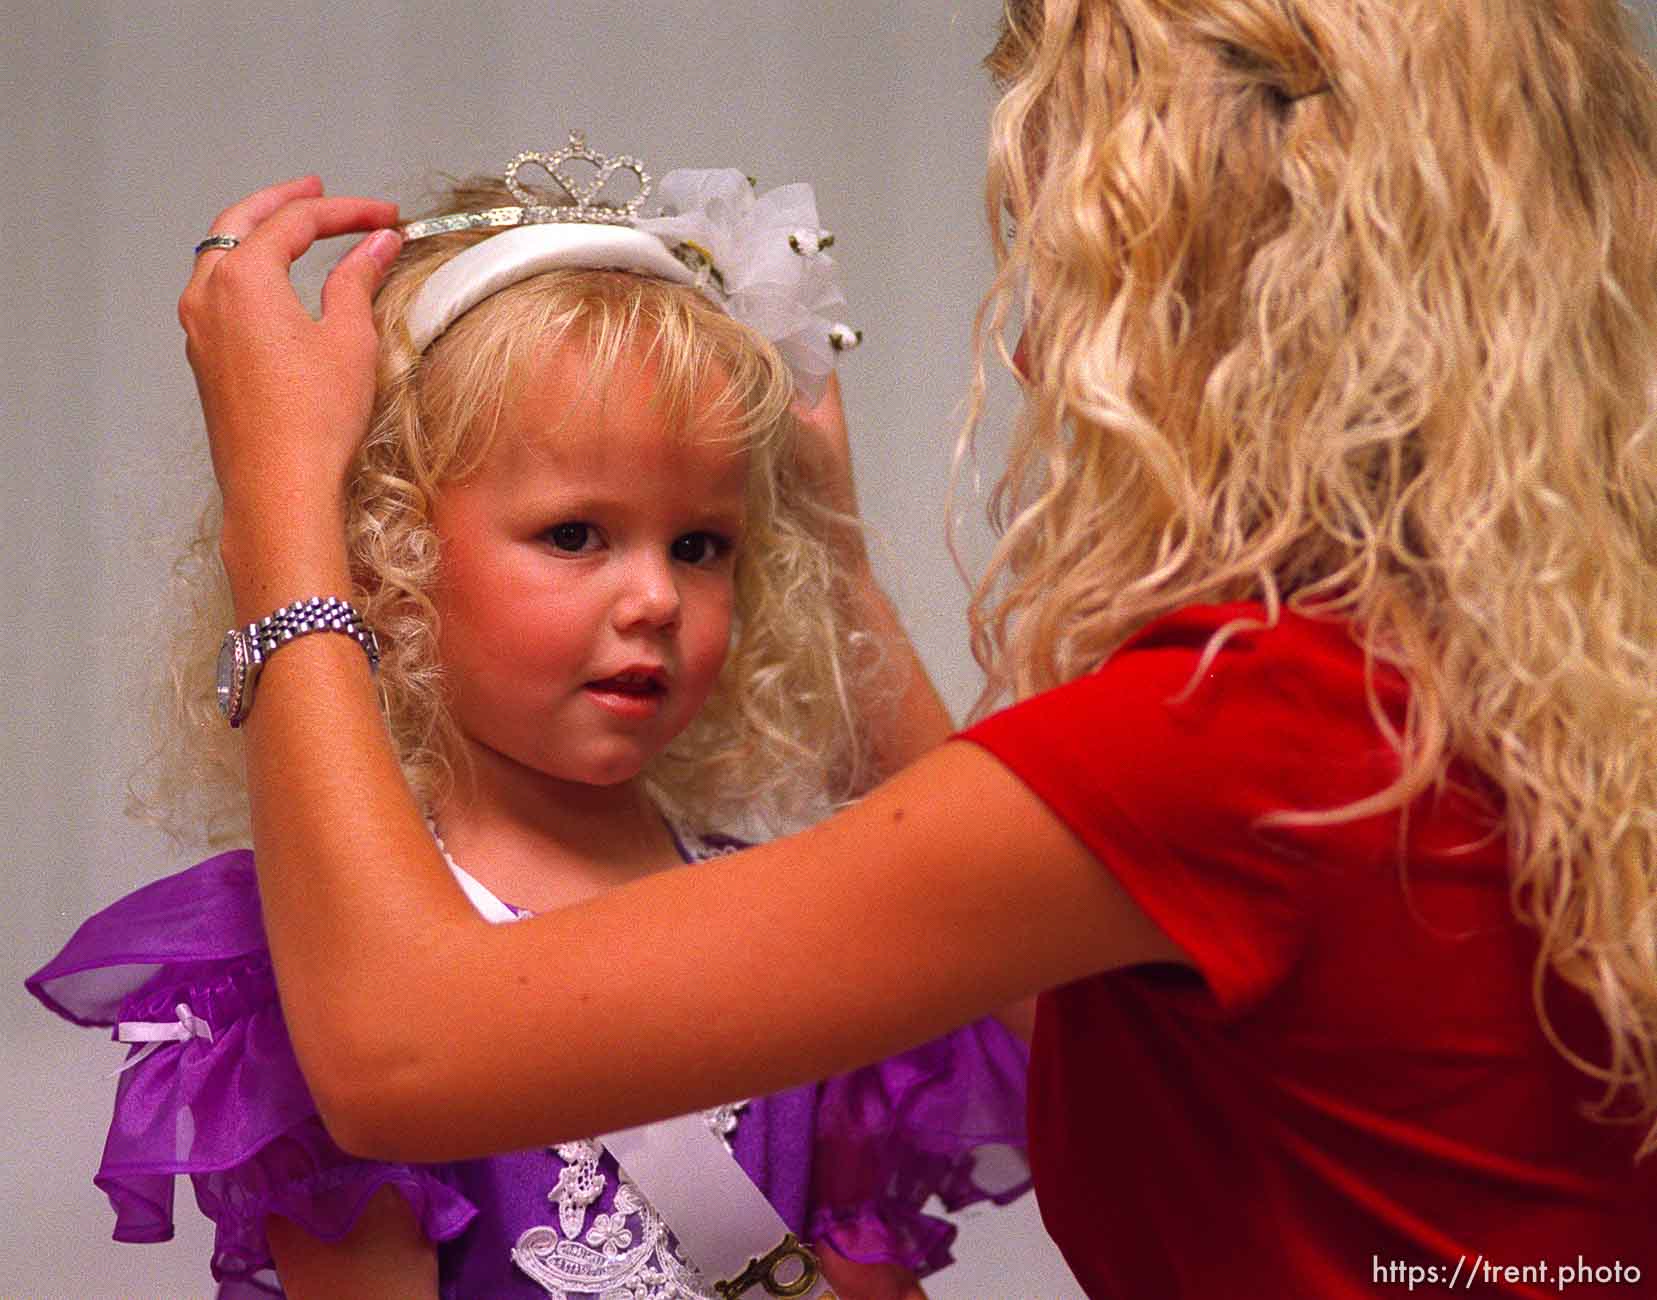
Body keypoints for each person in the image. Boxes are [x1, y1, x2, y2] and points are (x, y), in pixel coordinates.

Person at [102, 0, 1657, 1294]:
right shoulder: (1463, 697)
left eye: (1083, 269)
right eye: (578, 533)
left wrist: (277, 518)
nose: (1043, 349)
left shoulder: (1255, 735)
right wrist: (824, 559)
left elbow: (403, 1049)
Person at [27, 151, 1034, 1299]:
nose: (655, 597)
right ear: (387, 553)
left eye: (699, 545)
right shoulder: (315, 973)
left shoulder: (809, 911)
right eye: (574, 535)